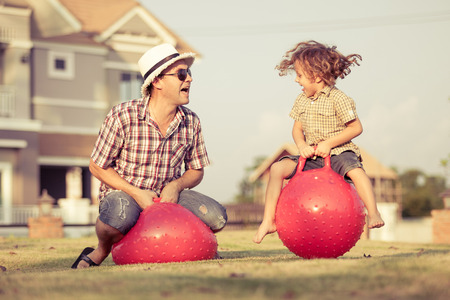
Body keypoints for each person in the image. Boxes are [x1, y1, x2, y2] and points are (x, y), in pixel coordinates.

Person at [72, 43, 227, 268]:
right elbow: (97, 166)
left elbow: (196, 170)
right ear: (157, 81)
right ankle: (101, 250)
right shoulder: (122, 115)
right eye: (182, 74)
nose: (189, 80)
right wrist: (137, 193)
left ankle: (198, 246)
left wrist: (175, 186)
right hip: (125, 194)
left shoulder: (191, 121)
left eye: (189, 73)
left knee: (217, 217)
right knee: (117, 217)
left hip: (168, 196)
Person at [253, 40, 384, 244]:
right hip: (313, 155)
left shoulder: (338, 98)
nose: (296, 80)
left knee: (356, 171)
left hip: (340, 152)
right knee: (277, 168)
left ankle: (374, 213)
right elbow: (296, 130)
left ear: (317, 76)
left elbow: (356, 128)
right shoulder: (301, 100)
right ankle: (268, 221)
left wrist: (330, 143)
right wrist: (302, 146)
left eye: (300, 75)